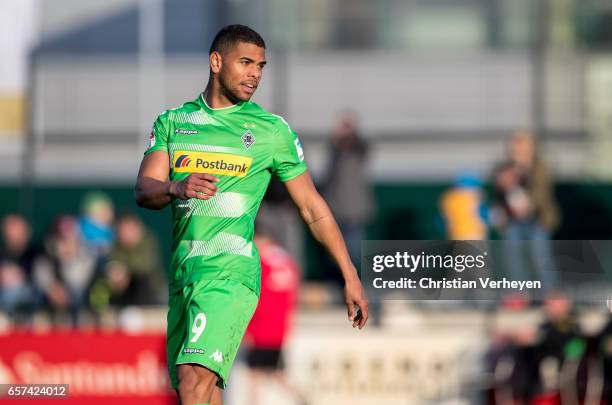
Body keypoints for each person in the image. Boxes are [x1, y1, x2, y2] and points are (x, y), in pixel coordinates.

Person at [134, 25, 369, 405]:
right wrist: (175, 187)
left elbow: (312, 207)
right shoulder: (173, 122)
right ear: (216, 61)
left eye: (261, 65)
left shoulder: (270, 131)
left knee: (194, 379)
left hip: (230, 273)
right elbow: (145, 189)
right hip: (184, 275)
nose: (255, 74)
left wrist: (349, 272)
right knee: (197, 391)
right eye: (245, 62)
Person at [244, 224, 306, 405]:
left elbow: (257, 298)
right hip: (279, 328)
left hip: (262, 328)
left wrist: (249, 329)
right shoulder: (287, 261)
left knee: (256, 373)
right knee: (271, 370)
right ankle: (301, 397)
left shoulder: (261, 262)